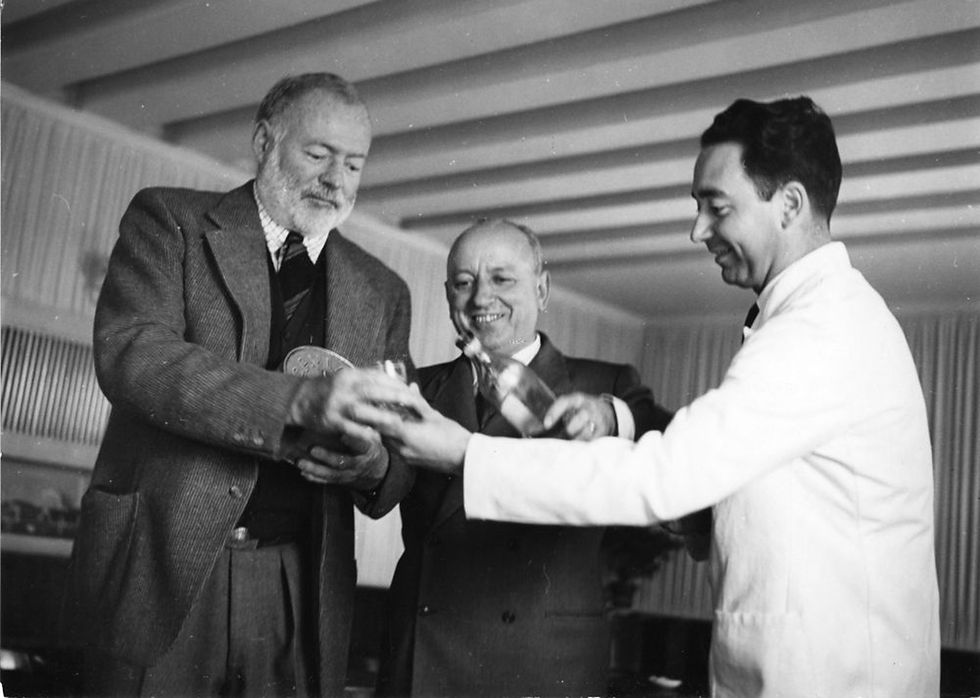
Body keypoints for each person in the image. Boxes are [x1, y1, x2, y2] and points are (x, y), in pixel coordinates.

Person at [356, 97, 941, 697]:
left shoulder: (820, 328)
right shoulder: (814, 317)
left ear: (789, 204)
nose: (697, 230)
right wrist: (618, 423)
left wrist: (464, 454)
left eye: (716, 207)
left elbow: (666, 478)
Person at [63, 73, 415, 697]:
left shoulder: (384, 290)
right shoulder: (168, 221)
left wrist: (369, 461)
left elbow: (397, 466)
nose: (337, 180)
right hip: (159, 570)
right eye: (318, 154)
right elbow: (133, 356)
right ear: (263, 142)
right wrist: (298, 401)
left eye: (354, 164)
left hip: (298, 589)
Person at [374, 219, 672, 697]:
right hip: (426, 657)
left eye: (501, 279)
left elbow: (674, 448)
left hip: (545, 659)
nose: (480, 298)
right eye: (464, 283)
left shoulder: (607, 385)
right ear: (449, 296)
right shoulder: (413, 388)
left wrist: (609, 417)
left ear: (543, 288)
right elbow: (377, 492)